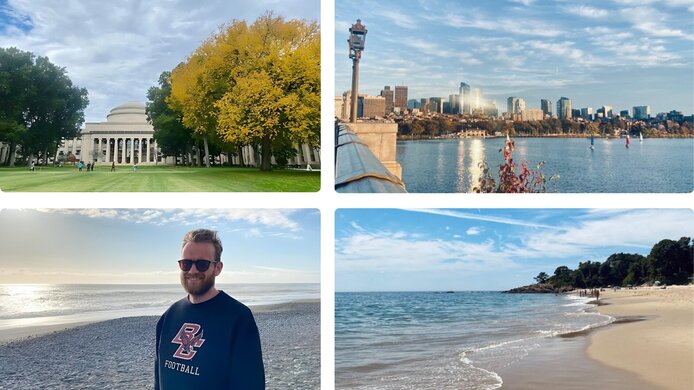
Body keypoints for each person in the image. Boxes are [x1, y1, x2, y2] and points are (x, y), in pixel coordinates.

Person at [155, 229, 265, 389]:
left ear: (217, 268)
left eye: (202, 264)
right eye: (186, 263)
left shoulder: (238, 318)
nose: (192, 270)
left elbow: (250, 384)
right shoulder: (169, 316)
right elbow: (159, 381)